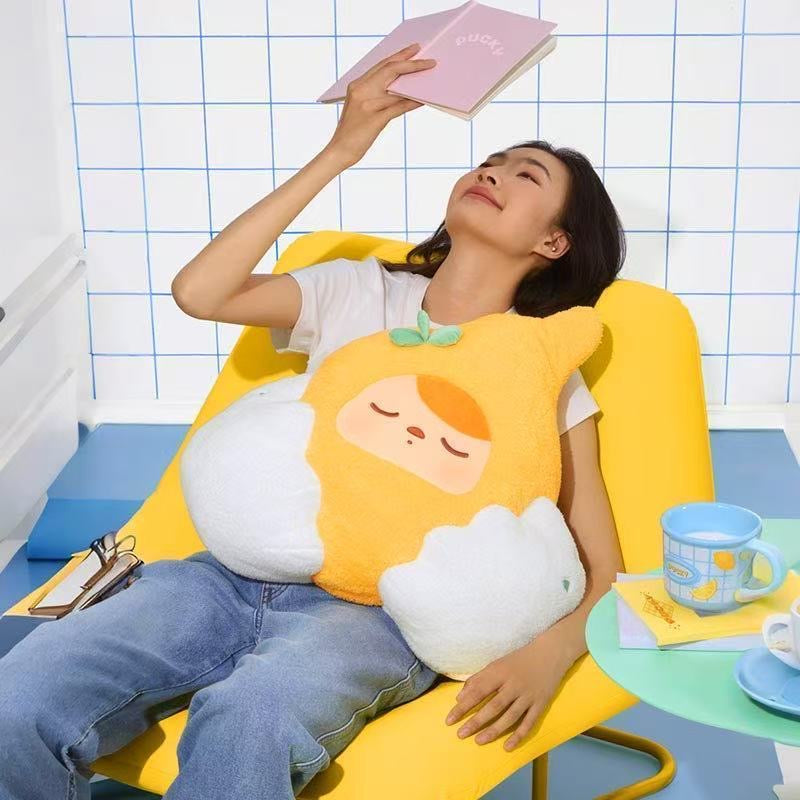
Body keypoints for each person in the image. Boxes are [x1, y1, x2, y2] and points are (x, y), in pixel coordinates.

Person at [0, 42, 625, 799]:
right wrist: (341, 151)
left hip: (376, 617)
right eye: (489, 160)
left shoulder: (542, 369)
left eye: (526, 175)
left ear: (553, 241)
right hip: (224, 578)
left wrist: (546, 657)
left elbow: (603, 567)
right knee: (18, 697)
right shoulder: (356, 292)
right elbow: (200, 292)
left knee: (250, 719)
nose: (492, 171)